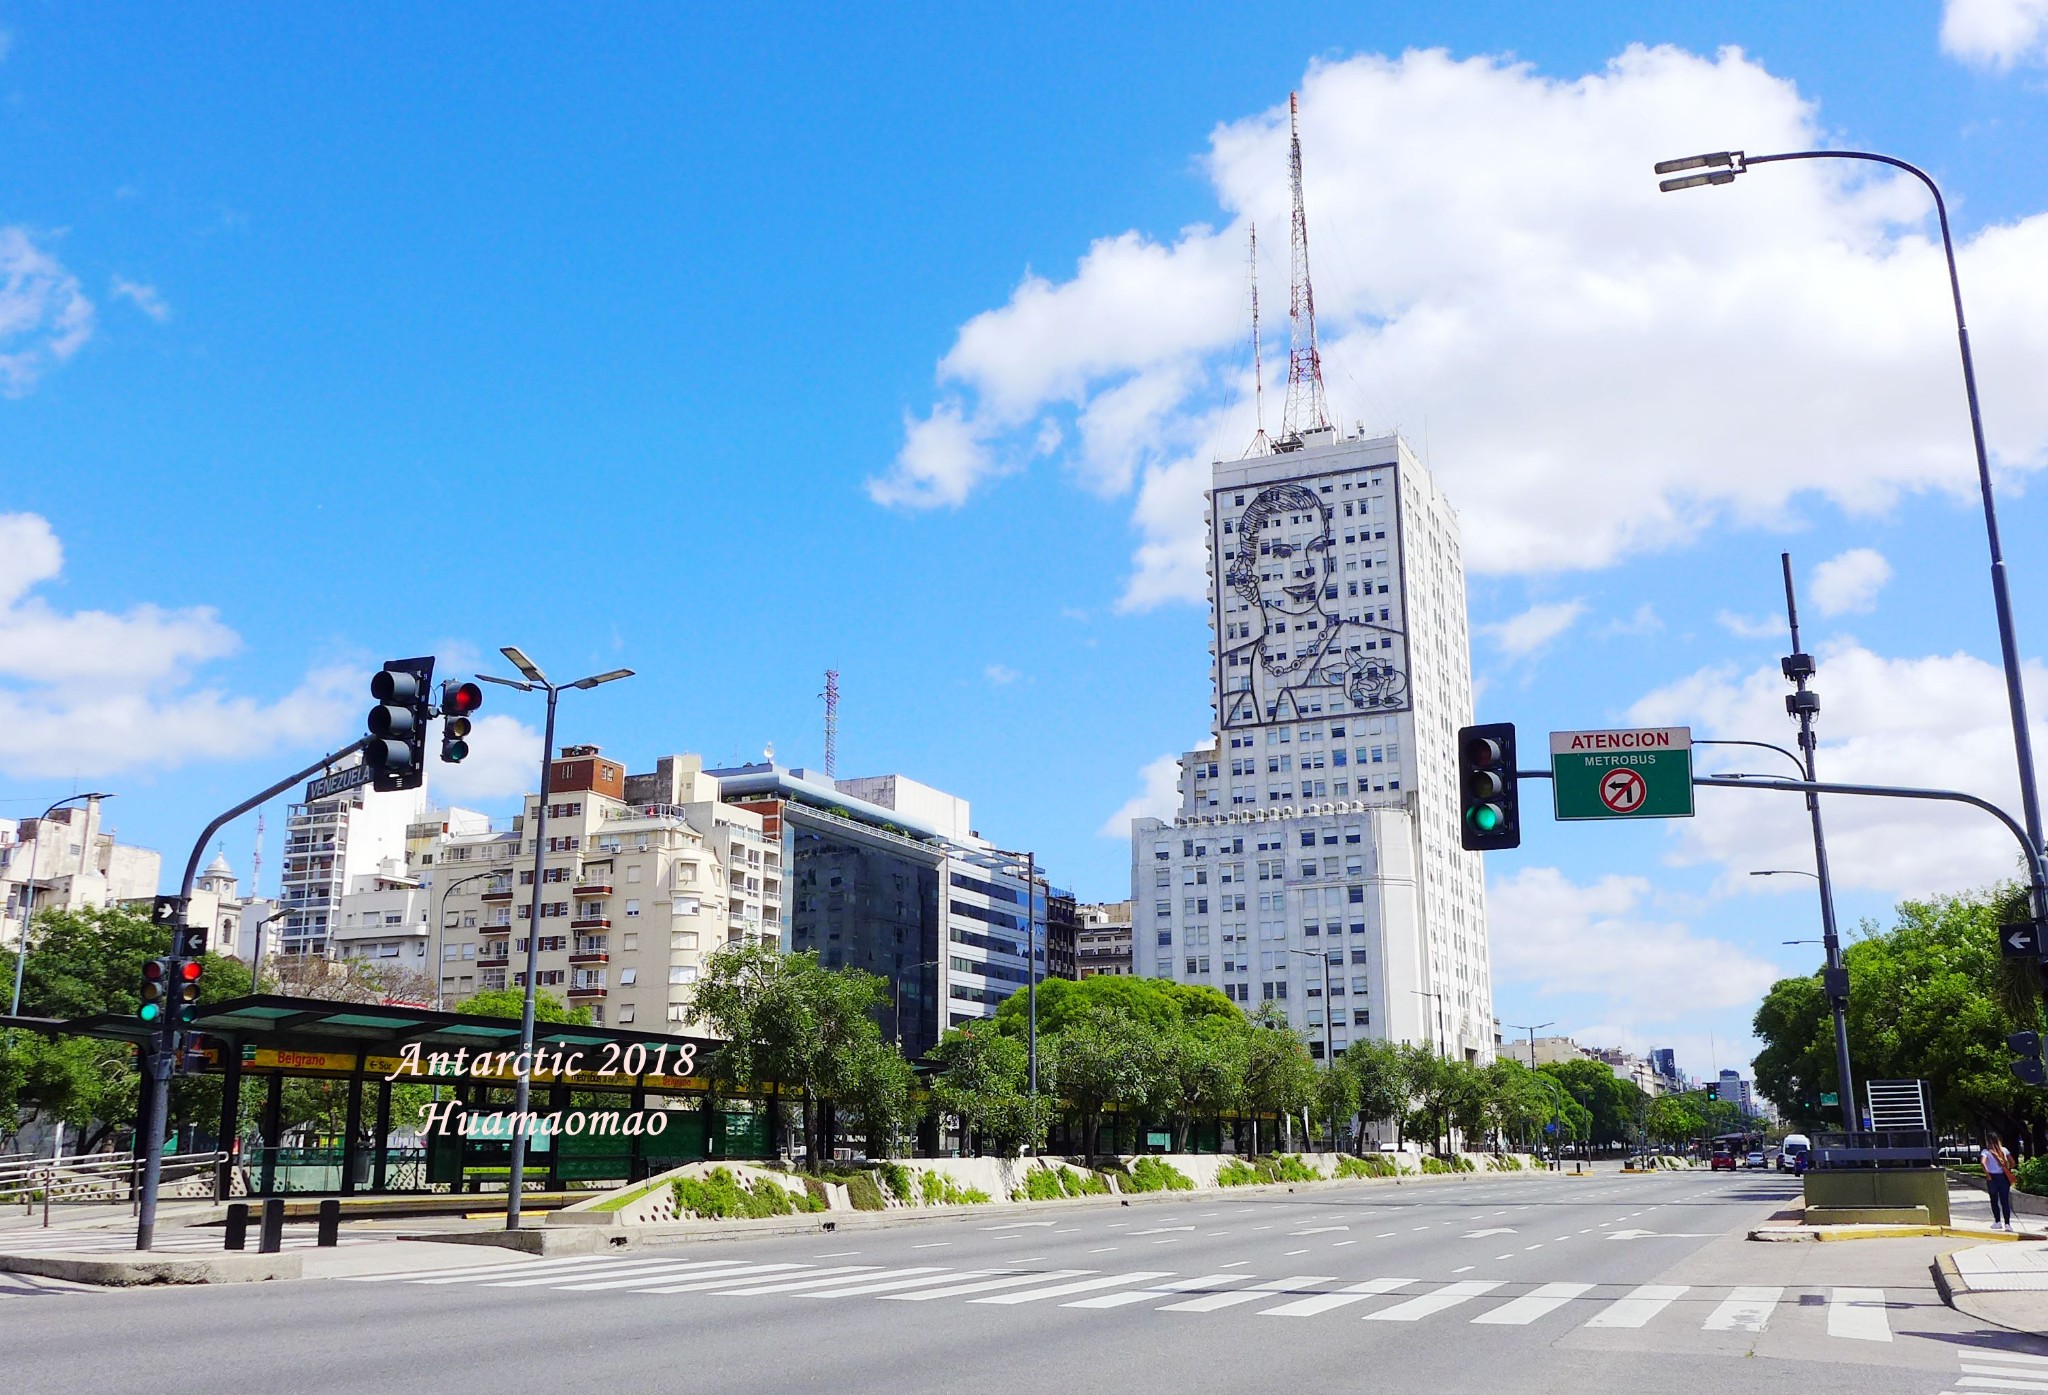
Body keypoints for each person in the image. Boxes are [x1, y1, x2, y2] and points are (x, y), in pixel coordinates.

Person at [1983, 1133, 2017, 1231]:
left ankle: (1997, 1222)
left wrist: (1988, 1174)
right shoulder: (2004, 1150)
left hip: (1992, 1178)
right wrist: (2007, 1169)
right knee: (2005, 1201)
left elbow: (1983, 1163)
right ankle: (2007, 1224)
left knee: (1994, 1200)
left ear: (1988, 1140)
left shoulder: (1986, 1152)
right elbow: (2013, 1162)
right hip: (2004, 1178)